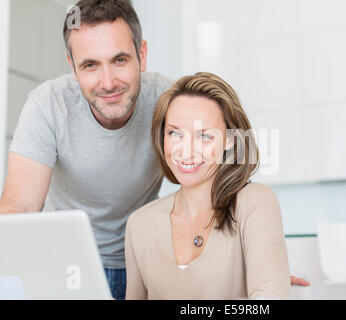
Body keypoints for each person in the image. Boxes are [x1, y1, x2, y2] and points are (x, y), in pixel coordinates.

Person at [0, 0, 309, 300]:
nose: (108, 82)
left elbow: (234, 154)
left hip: (142, 260)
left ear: (142, 54)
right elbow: (20, 208)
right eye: (91, 65)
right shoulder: (47, 105)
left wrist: (263, 258)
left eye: (120, 60)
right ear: (72, 66)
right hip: (69, 264)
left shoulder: (170, 100)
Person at [125, 72, 292, 299]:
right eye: (175, 133)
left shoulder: (255, 202)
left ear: (230, 139)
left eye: (204, 136)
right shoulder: (140, 225)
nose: (186, 151)